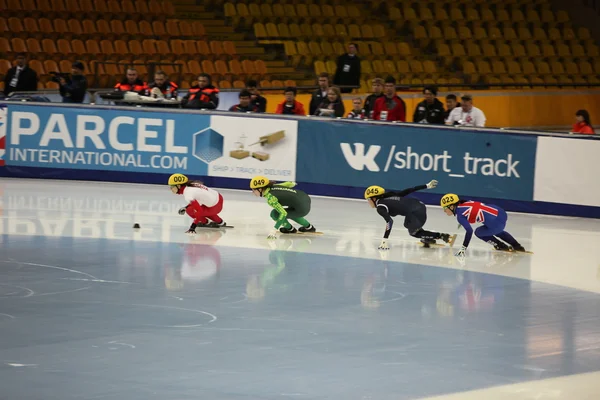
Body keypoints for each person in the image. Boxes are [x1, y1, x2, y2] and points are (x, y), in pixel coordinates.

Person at [365, 181, 454, 250]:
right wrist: (426, 185)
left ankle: (442, 236)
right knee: (408, 224)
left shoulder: (380, 207)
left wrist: (384, 240)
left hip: (415, 211)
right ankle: (428, 237)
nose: (368, 202)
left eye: (368, 199)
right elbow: (408, 190)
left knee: (413, 232)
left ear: (374, 198)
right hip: (418, 205)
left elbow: (389, 221)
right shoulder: (389, 196)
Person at [440, 193, 526, 257]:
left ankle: (500, 245)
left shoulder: (460, 215)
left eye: (444, 208)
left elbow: (469, 231)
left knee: (478, 232)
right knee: (496, 230)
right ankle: (517, 246)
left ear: (451, 207)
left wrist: (463, 249)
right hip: (500, 212)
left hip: (496, 223)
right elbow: (473, 211)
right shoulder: (465, 203)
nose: (444, 211)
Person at [250, 176, 316, 239]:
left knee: (275, 214)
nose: (253, 192)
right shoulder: (274, 186)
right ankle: (309, 227)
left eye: (253, 190)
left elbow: (283, 213)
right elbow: (287, 184)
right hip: (304, 197)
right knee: (292, 211)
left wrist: (274, 230)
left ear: (260, 189)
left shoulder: (271, 198)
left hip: (302, 208)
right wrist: (292, 183)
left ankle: (290, 229)